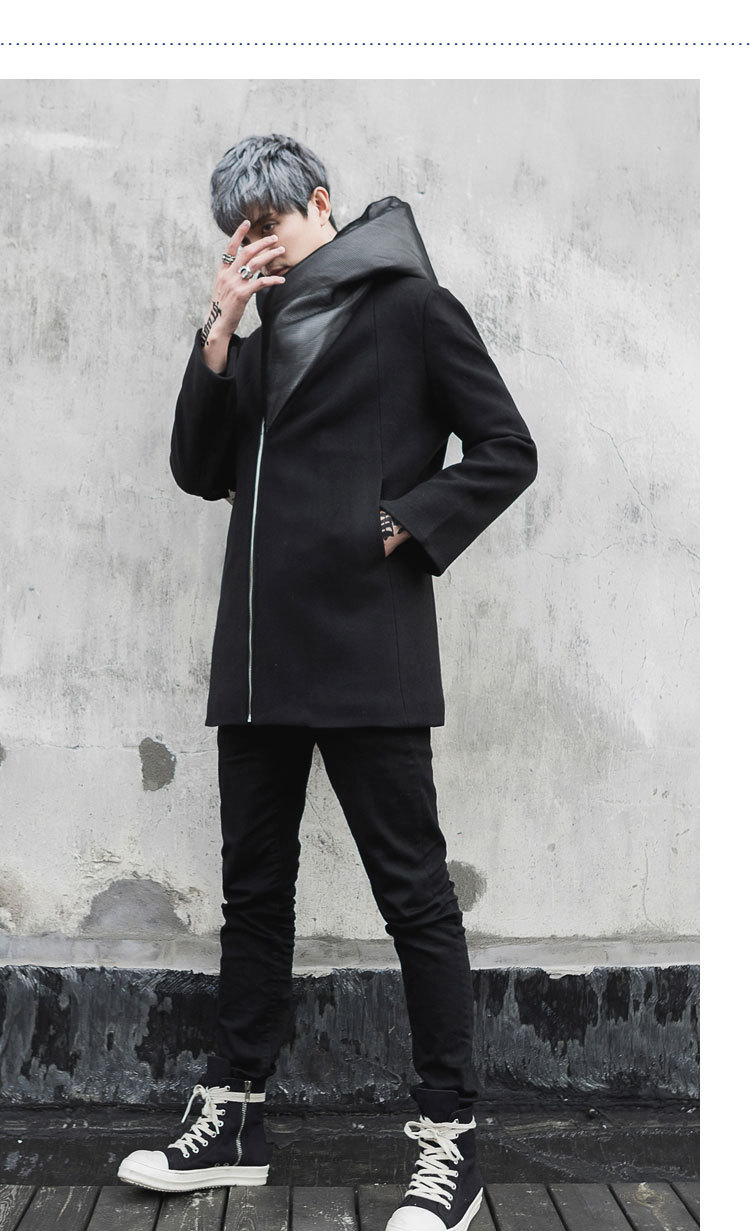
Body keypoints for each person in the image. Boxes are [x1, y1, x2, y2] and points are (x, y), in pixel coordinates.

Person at [117, 133, 538, 1231]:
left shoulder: (413, 308)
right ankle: (236, 1119)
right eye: (238, 237)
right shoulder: (255, 339)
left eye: (267, 225)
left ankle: (451, 1142)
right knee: (253, 893)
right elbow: (198, 470)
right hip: (259, 659)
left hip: (366, 648)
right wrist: (216, 335)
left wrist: (402, 522)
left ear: (319, 201)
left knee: (415, 896)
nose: (254, 248)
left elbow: (506, 447)